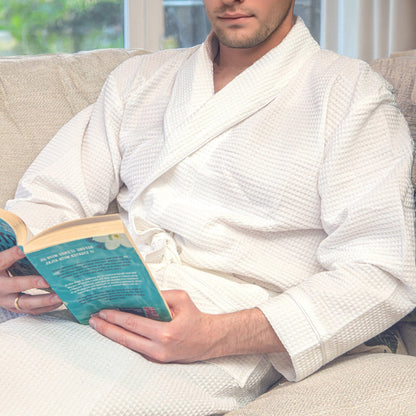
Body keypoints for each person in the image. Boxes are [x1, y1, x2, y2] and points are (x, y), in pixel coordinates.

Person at [0, 0, 415, 414]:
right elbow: (52, 196)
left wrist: (217, 335)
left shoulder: (351, 94)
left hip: (224, 322)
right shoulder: (139, 79)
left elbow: (382, 270)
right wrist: (11, 261)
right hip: (105, 296)